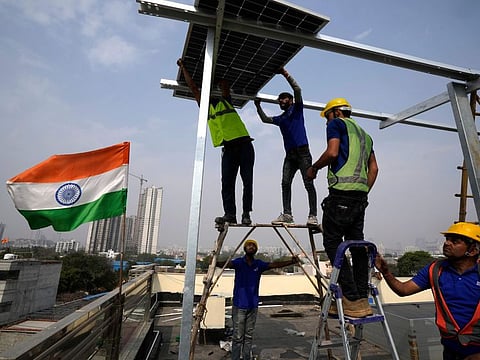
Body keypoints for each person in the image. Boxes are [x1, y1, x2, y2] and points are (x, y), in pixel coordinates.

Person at [306, 97, 378, 317]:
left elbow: (333, 152)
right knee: (356, 246)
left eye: (326, 116)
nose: (326, 122)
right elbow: (374, 169)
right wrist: (362, 192)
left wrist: (314, 168)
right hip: (359, 198)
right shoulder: (366, 135)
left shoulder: (337, 124)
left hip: (340, 196)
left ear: (336, 112)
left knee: (332, 242)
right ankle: (362, 301)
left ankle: (351, 298)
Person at [375, 222, 480, 360]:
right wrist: (386, 272)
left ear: (472, 250)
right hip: (450, 348)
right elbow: (404, 290)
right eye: (447, 239)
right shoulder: (435, 269)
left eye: (455, 241)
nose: (447, 243)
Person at [177, 59, 254, 225]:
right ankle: (230, 214)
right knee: (226, 183)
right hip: (228, 149)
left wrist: (215, 71)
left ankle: (246, 214)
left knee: (247, 181)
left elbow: (225, 84)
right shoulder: (205, 108)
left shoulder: (226, 101)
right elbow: (193, 88)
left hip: (244, 145)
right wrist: (183, 67)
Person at [254, 67, 317, 226]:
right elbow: (264, 120)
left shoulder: (297, 109)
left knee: (308, 183)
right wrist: (257, 106)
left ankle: (313, 215)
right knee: (285, 183)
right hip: (290, 155)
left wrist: (285, 73)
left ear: (291, 100)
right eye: (279, 100)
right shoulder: (281, 118)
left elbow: (297, 88)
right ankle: (287, 214)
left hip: (303, 153)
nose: (280, 101)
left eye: (283, 98)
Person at [217, 239, 299, 360]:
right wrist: (214, 261)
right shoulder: (239, 263)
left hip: (253, 306)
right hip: (240, 305)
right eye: (248, 245)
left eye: (253, 246)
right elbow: (225, 264)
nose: (251, 247)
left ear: (256, 249)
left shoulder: (258, 264)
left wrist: (291, 262)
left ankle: (246, 357)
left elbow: (274, 264)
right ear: (244, 249)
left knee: (248, 336)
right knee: (238, 336)